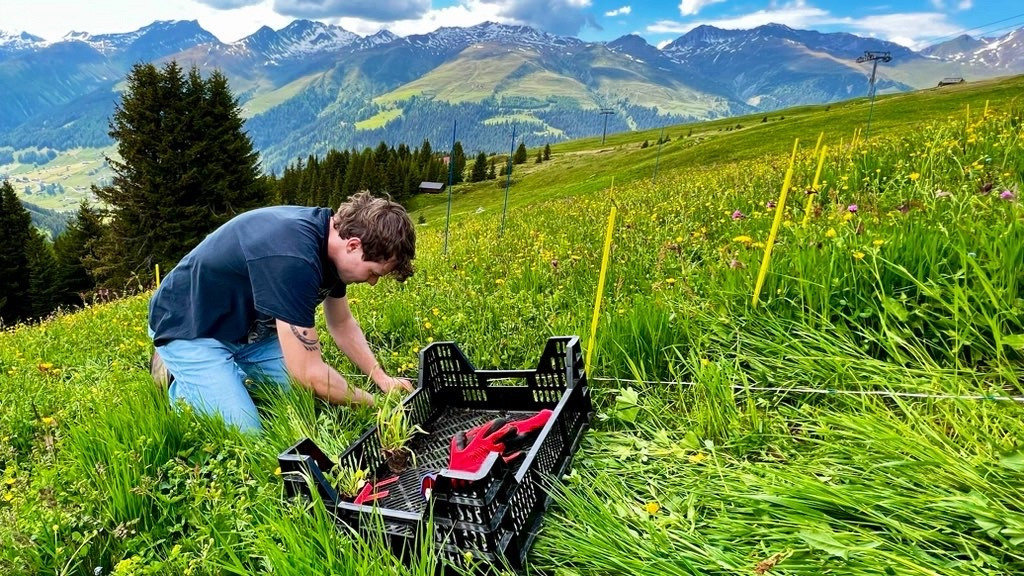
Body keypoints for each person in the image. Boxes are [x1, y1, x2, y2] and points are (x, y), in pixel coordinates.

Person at [148, 191, 416, 433]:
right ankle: (179, 378)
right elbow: (308, 372)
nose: (372, 282)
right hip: (190, 325)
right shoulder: (295, 259)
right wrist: (371, 403)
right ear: (354, 245)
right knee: (247, 432)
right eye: (373, 273)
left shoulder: (332, 247)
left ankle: (227, 374)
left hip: (250, 334)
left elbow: (342, 324)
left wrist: (381, 378)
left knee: (304, 397)